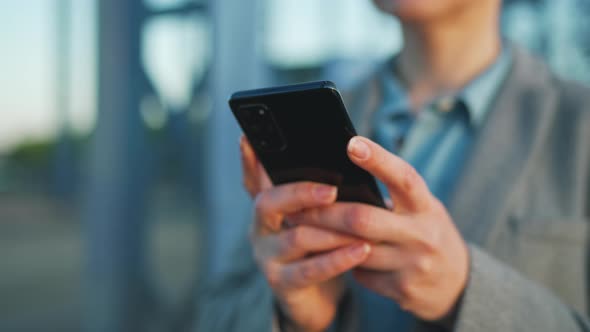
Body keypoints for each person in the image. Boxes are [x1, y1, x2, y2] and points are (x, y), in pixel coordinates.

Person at [195, 0, 590, 331]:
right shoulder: (314, 121)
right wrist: (290, 313)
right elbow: (211, 316)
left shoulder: (578, 126)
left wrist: (467, 292)